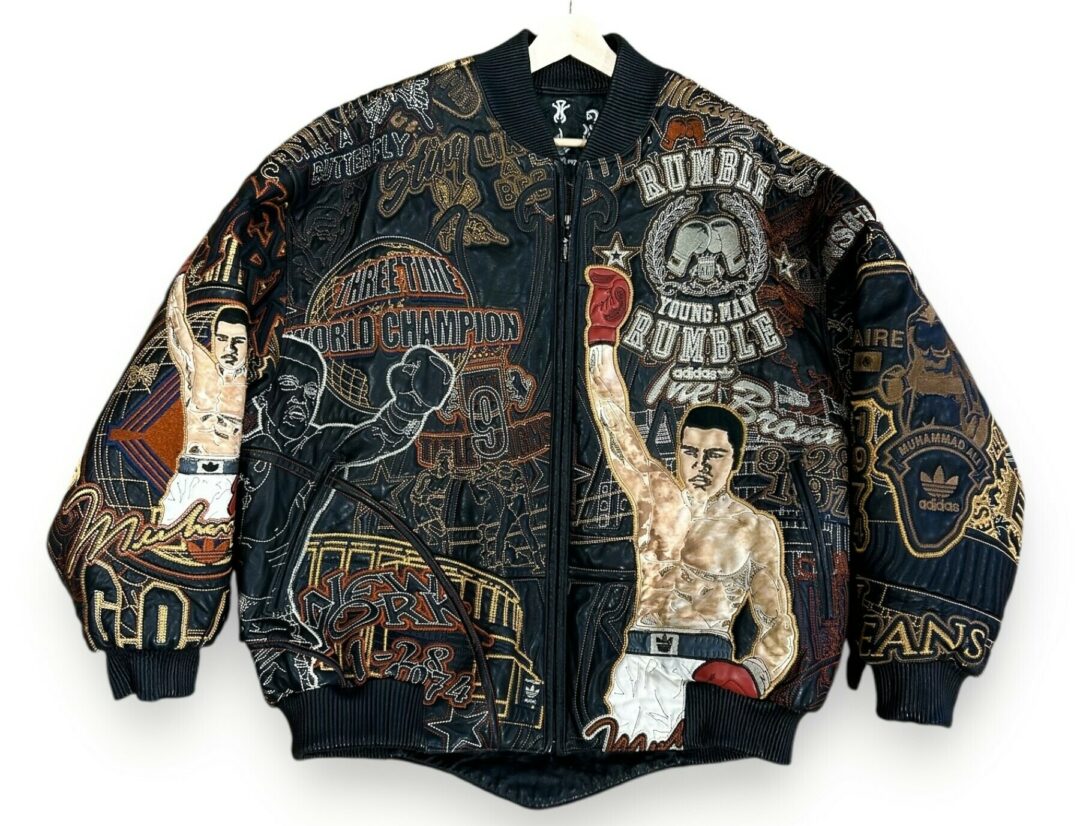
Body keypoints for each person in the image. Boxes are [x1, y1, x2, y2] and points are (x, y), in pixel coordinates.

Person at [582, 264, 798, 748]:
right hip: (637, 664)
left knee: (693, 786)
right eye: (690, 451)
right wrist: (601, 338)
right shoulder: (654, 494)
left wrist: (755, 675)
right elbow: (613, 419)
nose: (700, 464)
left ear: (734, 458)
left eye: (714, 454)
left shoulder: (754, 528)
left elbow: (777, 624)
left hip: (705, 669)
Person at [156, 273, 248, 526]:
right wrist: (179, 287)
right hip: (188, 477)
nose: (229, 349)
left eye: (238, 341)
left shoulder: (253, 381)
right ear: (214, 338)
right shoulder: (200, 366)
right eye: (222, 339)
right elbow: (177, 325)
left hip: (226, 483)